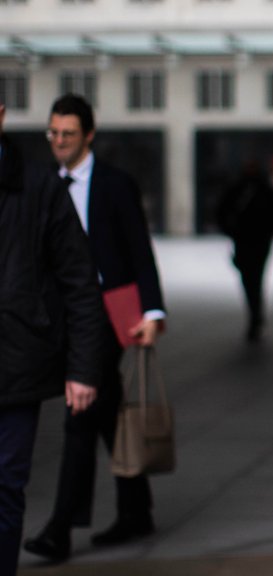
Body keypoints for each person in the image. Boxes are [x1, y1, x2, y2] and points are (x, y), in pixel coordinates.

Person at [24, 94, 166, 562]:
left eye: (67, 134)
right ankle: (136, 509)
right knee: (105, 412)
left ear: (88, 135)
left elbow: (139, 251)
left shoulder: (114, 185)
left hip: (108, 314)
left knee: (80, 411)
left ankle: (60, 529)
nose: (58, 142)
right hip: (59, 314)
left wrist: (152, 312)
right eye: (52, 133)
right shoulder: (41, 184)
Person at [0, 104, 105, 574]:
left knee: (5, 486)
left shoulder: (39, 185)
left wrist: (82, 369)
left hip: (16, 364)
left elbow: (80, 281)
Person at [216, 162, 273, 342]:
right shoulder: (258, 190)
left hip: (251, 241)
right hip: (252, 241)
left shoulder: (249, 190)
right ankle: (256, 314)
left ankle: (255, 315)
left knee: (251, 279)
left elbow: (221, 212)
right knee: (254, 278)